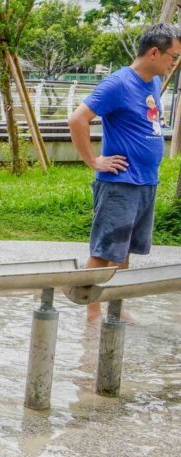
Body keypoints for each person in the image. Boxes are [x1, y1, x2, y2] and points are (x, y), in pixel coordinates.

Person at [68, 23, 181, 322]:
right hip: (121, 184)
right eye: (173, 56)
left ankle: (114, 307)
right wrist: (94, 161)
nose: (174, 63)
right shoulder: (118, 83)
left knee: (123, 250)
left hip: (145, 182)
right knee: (105, 249)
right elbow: (78, 119)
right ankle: (91, 313)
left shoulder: (153, 82)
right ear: (154, 51)